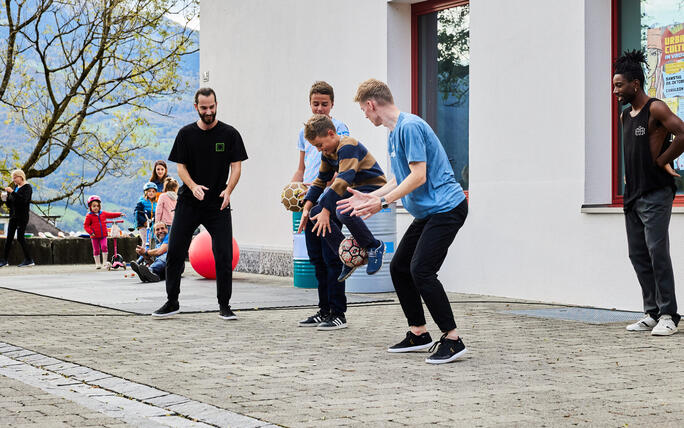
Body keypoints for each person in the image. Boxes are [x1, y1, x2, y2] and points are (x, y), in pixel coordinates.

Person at [338, 79, 468, 364]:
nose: (365, 115)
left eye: (364, 110)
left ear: (371, 104)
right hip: (428, 213)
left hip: (447, 209)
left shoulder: (409, 126)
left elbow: (419, 176)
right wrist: (370, 196)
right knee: (399, 267)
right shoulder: (395, 132)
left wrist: (382, 202)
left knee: (421, 270)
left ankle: (453, 338)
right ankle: (419, 332)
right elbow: (399, 178)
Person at [152, 87, 247, 319]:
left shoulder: (230, 134)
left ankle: (224, 305)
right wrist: (193, 186)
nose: (208, 111)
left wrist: (229, 190)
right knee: (174, 251)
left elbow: (236, 166)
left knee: (223, 254)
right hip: (189, 202)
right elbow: (180, 167)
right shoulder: (186, 134)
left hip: (218, 203)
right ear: (196, 107)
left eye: (212, 107)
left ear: (216, 105)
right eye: (204, 108)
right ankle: (172, 301)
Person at [613, 50, 684, 336]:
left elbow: (682, 133)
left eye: (619, 85)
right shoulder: (624, 117)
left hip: (656, 193)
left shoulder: (656, 108)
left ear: (635, 85)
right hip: (633, 195)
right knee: (638, 254)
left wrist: (662, 159)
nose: (615, 90)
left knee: (657, 251)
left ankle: (669, 314)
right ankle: (651, 312)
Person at [290, 82, 350, 330]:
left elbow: (342, 169)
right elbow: (302, 168)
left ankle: (339, 312)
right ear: (310, 104)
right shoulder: (305, 132)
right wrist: (294, 190)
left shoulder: (340, 129)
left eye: (324, 103)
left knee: (331, 256)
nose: (320, 107)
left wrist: (327, 196)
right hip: (312, 199)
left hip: (331, 200)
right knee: (316, 257)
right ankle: (323, 310)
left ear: (332, 104)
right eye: (316, 103)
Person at [298, 114, 387, 281]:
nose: (319, 150)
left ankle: (374, 246)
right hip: (353, 189)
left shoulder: (348, 145)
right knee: (315, 213)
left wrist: (326, 208)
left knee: (342, 211)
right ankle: (347, 256)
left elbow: (344, 178)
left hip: (373, 187)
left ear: (331, 133)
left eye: (319, 145)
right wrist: (307, 206)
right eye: (315, 147)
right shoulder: (328, 152)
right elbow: (321, 180)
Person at [0, 169, 34, 267]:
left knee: (20, 237)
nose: (14, 180)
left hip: (22, 217)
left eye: (15, 177)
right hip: (13, 216)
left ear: (21, 177)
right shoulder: (15, 187)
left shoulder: (27, 187)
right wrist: (5, 198)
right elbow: (11, 204)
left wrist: (12, 192)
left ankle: (29, 259)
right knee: (9, 238)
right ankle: (4, 260)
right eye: (13, 178)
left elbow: (23, 201)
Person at [83, 195, 124, 269]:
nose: (96, 207)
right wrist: (91, 232)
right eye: (94, 206)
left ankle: (105, 262)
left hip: (103, 235)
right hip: (94, 236)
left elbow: (111, 215)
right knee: (96, 250)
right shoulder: (89, 216)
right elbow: (86, 226)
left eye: (97, 206)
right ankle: (98, 264)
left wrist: (119, 214)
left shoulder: (103, 213)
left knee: (104, 247)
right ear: (90, 207)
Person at [134, 182, 158, 247]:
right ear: (145, 192)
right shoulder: (142, 202)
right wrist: (144, 221)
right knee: (146, 241)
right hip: (143, 225)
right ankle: (144, 255)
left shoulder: (156, 203)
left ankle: (148, 255)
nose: (151, 193)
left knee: (152, 242)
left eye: (153, 191)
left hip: (152, 225)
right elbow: (137, 213)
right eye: (149, 191)